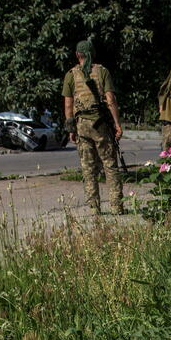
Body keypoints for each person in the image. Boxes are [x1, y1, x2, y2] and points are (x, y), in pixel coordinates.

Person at [62, 39, 123, 215]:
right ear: (93, 54)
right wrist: (117, 124)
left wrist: (71, 129)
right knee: (110, 165)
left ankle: (94, 208)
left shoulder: (71, 75)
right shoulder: (103, 72)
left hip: (82, 125)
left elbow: (68, 105)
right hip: (101, 124)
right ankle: (116, 206)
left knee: (88, 168)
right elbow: (110, 100)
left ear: (77, 55)